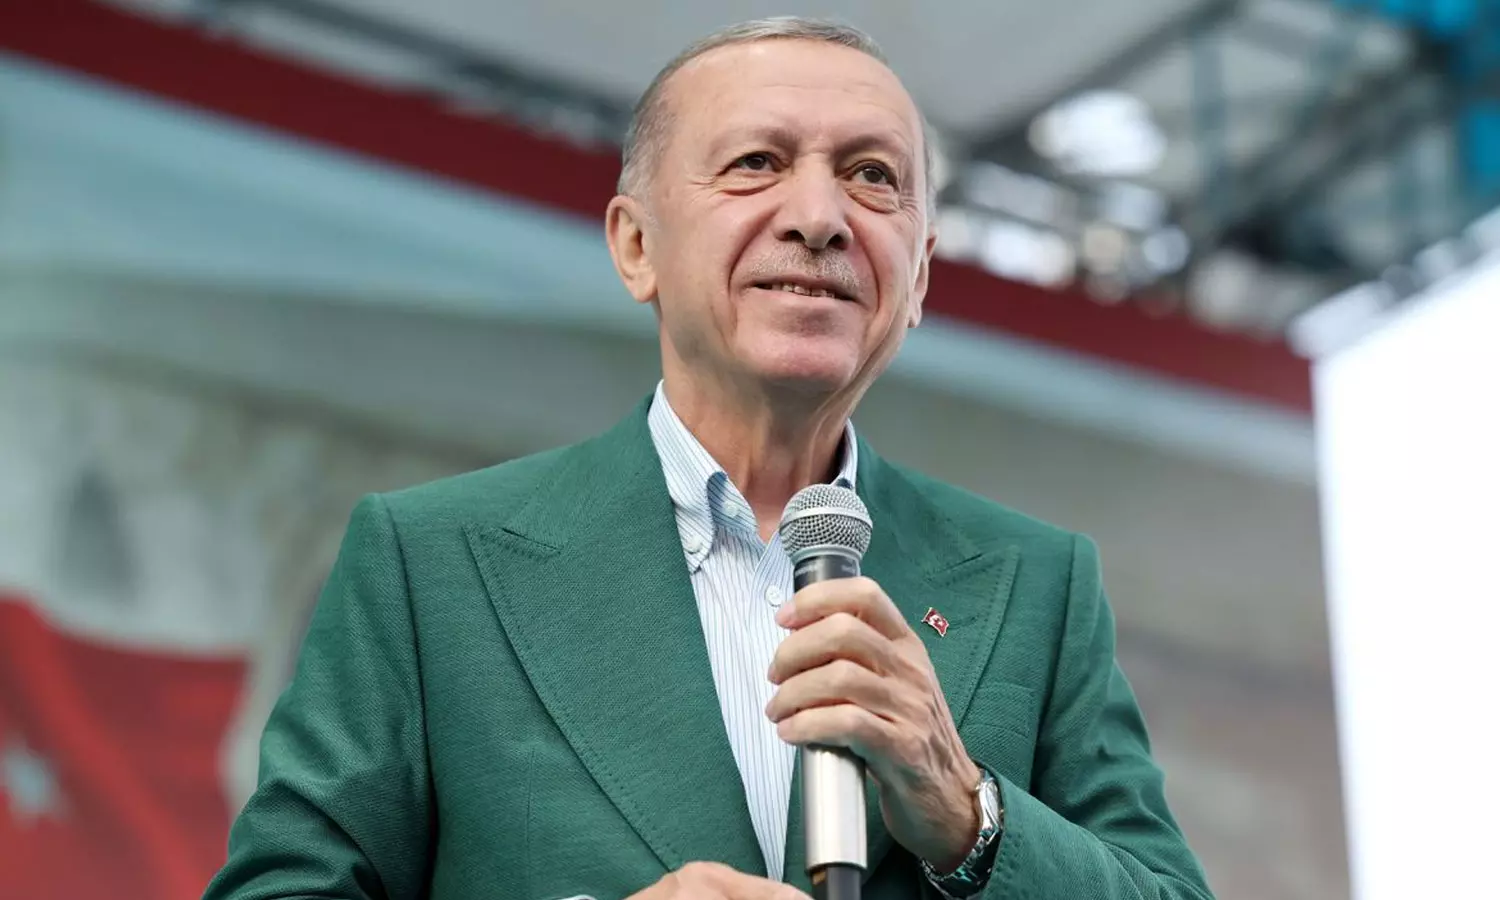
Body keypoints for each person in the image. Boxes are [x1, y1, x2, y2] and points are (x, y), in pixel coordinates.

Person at [204, 16, 1214, 900]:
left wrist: (969, 813)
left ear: (919, 279)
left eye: (872, 176)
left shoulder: (1038, 585)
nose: (819, 218)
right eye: (756, 163)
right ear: (636, 246)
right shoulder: (429, 564)